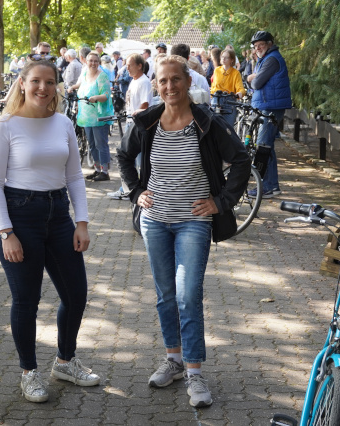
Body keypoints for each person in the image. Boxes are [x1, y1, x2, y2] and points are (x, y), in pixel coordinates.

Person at [116, 54, 251, 408]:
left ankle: (194, 372)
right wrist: (136, 193)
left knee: (187, 295)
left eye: (176, 79)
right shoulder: (147, 122)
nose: (170, 86)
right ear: (156, 84)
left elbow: (241, 159)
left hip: (193, 221)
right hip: (155, 221)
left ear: (188, 81)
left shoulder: (207, 122)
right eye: (163, 81)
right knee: (165, 295)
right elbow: (123, 156)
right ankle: (173, 360)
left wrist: (221, 202)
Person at [0, 58, 99, 403]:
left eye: (50, 82)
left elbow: (76, 176)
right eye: (36, 81)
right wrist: (6, 232)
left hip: (59, 217)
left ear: (56, 87)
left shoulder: (63, 122)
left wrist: (82, 222)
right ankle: (29, 372)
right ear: (22, 83)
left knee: (75, 295)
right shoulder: (5, 126)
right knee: (26, 301)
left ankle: (65, 361)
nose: (43, 89)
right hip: (19, 218)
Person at [247, 31, 292, 199]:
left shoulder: (272, 59)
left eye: (261, 45)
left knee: (262, 147)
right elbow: (252, 81)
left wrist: (252, 77)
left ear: (270, 44)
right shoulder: (263, 59)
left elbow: (257, 83)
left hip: (271, 107)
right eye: (256, 46)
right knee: (267, 147)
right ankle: (271, 186)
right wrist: (252, 77)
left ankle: (265, 186)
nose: (258, 48)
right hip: (266, 106)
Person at [107, 53, 152, 201]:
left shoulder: (144, 82)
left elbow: (145, 104)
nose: (127, 68)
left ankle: (133, 189)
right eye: (126, 66)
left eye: (129, 65)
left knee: (137, 160)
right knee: (127, 158)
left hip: (138, 126)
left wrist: (135, 115)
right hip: (130, 124)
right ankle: (127, 188)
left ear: (139, 66)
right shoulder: (134, 81)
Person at [67, 50, 114, 181]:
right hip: (86, 117)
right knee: (92, 144)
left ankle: (105, 172)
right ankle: (97, 169)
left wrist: (95, 97)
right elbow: (80, 84)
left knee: (101, 144)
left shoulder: (102, 76)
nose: (93, 63)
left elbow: (106, 95)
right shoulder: (85, 73)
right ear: (86, 62)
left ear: (98, 62)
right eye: (90, 61)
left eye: (95, 61)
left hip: (99, 116)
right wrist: (71, 88)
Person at [210, 48, 245, 127]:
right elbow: (213, 86)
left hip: (229, 101)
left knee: (228, 128)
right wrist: (211, 97)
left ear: (232, 60)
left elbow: (240, 88)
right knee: (214, 127)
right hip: (216, 100)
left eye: (226, 57)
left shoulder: (235, 73)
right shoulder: (217, 70)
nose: (223, 59)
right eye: (222, 57)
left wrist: (239, 93)